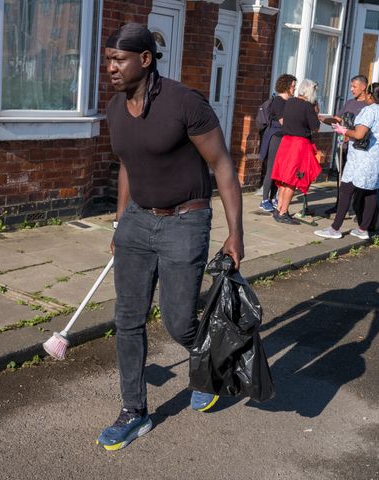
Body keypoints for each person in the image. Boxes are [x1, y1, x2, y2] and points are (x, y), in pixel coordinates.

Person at [99, 23, 244, 450]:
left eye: (119, 59)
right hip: (137, 222)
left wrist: (235, 234)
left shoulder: (185, 104)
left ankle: (211, 364)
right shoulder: (113, 109)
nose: (111, 67)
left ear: (145, 59)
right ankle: (134, 412)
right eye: (108, 59)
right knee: (127, 320)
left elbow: (222, 166)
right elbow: (128, 163)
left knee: (178, 320)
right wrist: (121, 221)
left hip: (186, 220)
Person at [314, 82, 379, 240]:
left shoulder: (369, 111)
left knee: (346, 190)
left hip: (362, 159)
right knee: (371, 191)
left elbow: (359, 134)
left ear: (370, 95)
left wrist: (343, 130)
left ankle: (335, 228)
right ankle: (363, 229)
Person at [270, 79, 322, 225]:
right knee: (292, 180)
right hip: (298, 145)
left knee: (283, 179)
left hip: (286, 142)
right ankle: (283, 212)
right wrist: (315, 112)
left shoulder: (289, 102)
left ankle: (278, 209)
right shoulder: (307, 107)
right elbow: (315, 127)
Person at [322, 75, 369, 215]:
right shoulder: (350, 103)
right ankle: (340, 206)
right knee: (342, 177)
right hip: (344, 147)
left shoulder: (369, 105)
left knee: (358, 179)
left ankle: (358, 208)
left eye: (354, 86)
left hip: (360, 149)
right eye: (351, 86)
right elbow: (338, 119)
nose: (351, 89)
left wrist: (352, 135)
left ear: (363, 87)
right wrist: (323, 118)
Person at [258, 74, 297, 212]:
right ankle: (264, 200)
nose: (294, 88)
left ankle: (273, 197)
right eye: (293, 86)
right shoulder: (279, 102)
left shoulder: (289, 102)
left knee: (279, 170)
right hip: (276, 137)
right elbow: (283, 122)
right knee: (271, 168)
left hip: (284, 138)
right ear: (286, 86)